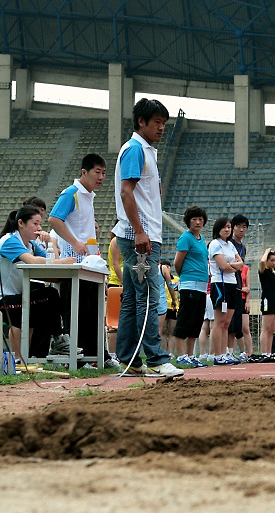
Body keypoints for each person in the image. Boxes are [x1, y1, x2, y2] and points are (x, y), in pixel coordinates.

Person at [112, 98, 183, 378]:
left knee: (132, 298)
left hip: (144, 235)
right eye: (157, 122)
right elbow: (126, 193)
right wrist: (140, 231)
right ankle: (155, 359)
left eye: (164, 123)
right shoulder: (135, 149)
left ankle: (130, 360)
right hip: (140, 238)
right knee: (149, 297)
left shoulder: (147, 151)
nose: (161, 128)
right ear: (141, 121)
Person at [49, 152, 107, 357]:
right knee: (74, 313)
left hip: (89, 266)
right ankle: (75, 355)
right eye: (97, 172)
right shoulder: (71, 193)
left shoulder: (88, 196)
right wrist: (74, 242)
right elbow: (54, 219)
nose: (101, 177)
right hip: (73, 265)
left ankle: (95, 355)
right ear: (84, 172)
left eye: (103, 173)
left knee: (90, 313)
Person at [0, 206, 75, 359]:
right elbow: (33, 261)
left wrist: (49, 244)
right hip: (5, 299)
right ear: (21, 223)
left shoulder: (31, 245)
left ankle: (38, 355)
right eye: (35, 224)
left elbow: (52, 261)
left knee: (48, 302)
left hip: (20, 296)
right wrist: (62, 262)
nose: (39, 228)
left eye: (40, 224)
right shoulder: (9, 241)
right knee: (49, 296)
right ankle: (55, 341)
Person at [172, 205, 209, 368]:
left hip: (201, 286)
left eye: (200, 219)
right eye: (194, 219)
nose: (198, 222)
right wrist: (185, 276)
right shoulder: (186, 238)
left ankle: (190, 354)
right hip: (189, 284)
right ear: (188, 221)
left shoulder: (201, 240)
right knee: (185, 319)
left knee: (196, 321)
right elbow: (177, 262)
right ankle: (180, 355)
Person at [208, 216, 244, 365]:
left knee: (227, 322)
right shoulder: (215, 244)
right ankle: (217, 355)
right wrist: (233, 265)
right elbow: (223, 266)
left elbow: (241, 264)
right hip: (220, 284)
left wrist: (233, 265)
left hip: (232, 284)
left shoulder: (230, 245)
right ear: (218, 228)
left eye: (229, 227)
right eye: (225, 227)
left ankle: (224, 354)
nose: (227, 230)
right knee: (219, 321)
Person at [228, 214, 250, 359]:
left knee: (236, 322)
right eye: (238, 226)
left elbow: (241, 268)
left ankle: (231, 352)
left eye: (244, 227)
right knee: (226, 321)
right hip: (226, 283)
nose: (241, 229)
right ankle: (224, 352)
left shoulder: (242, 247)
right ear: (233, 227)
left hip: (237, 286)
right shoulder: (227, 244)